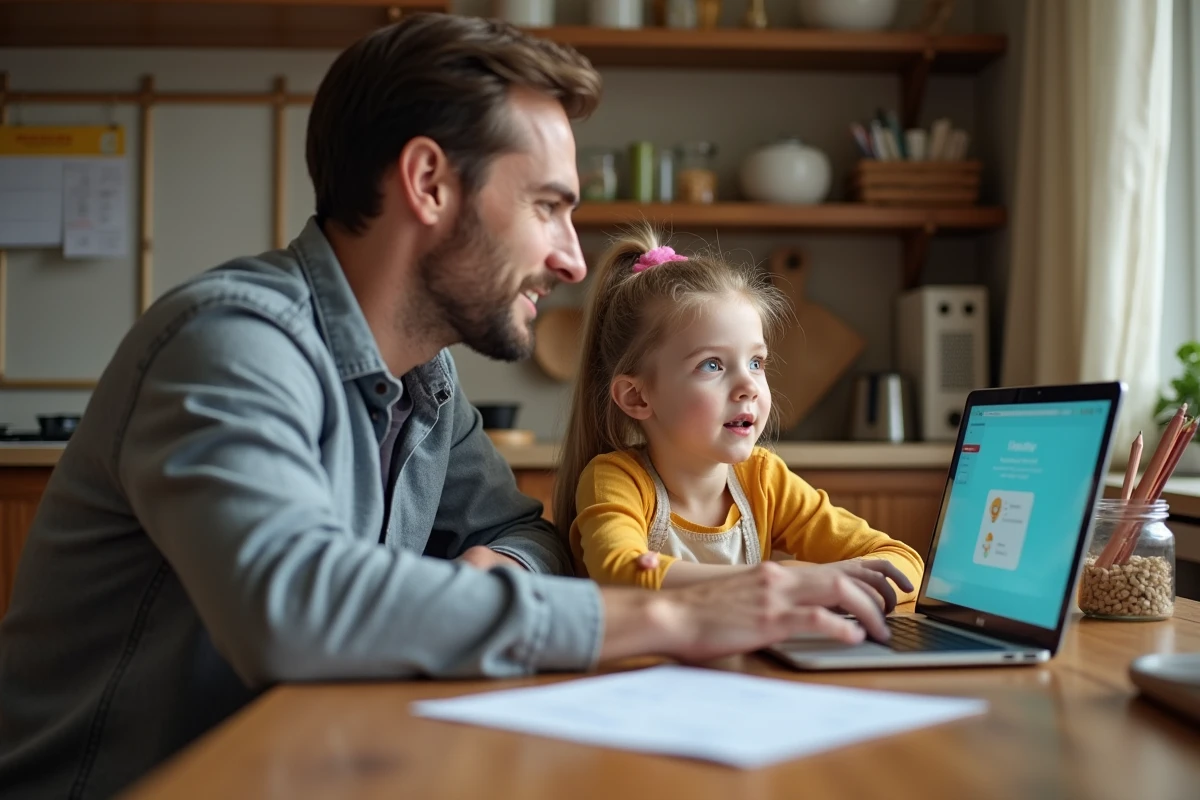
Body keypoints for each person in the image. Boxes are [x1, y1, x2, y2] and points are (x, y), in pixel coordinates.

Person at [0, 14, 895, 800]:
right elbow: (294, 607)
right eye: (547, 206)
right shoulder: (232, 343)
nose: (572, 259)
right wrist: (682, 613)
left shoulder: (426, 382)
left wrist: (497, 570)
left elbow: (527, 533)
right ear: (428, 182)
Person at [555, 228, 925, 602]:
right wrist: (784, 580)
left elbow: (901, 561)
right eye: (712, 364)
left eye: (756, 362)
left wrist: (831, 586)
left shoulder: (763, 481)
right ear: (637, 396)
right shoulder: (616, 481)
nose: (749, 386)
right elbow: (620, 572)